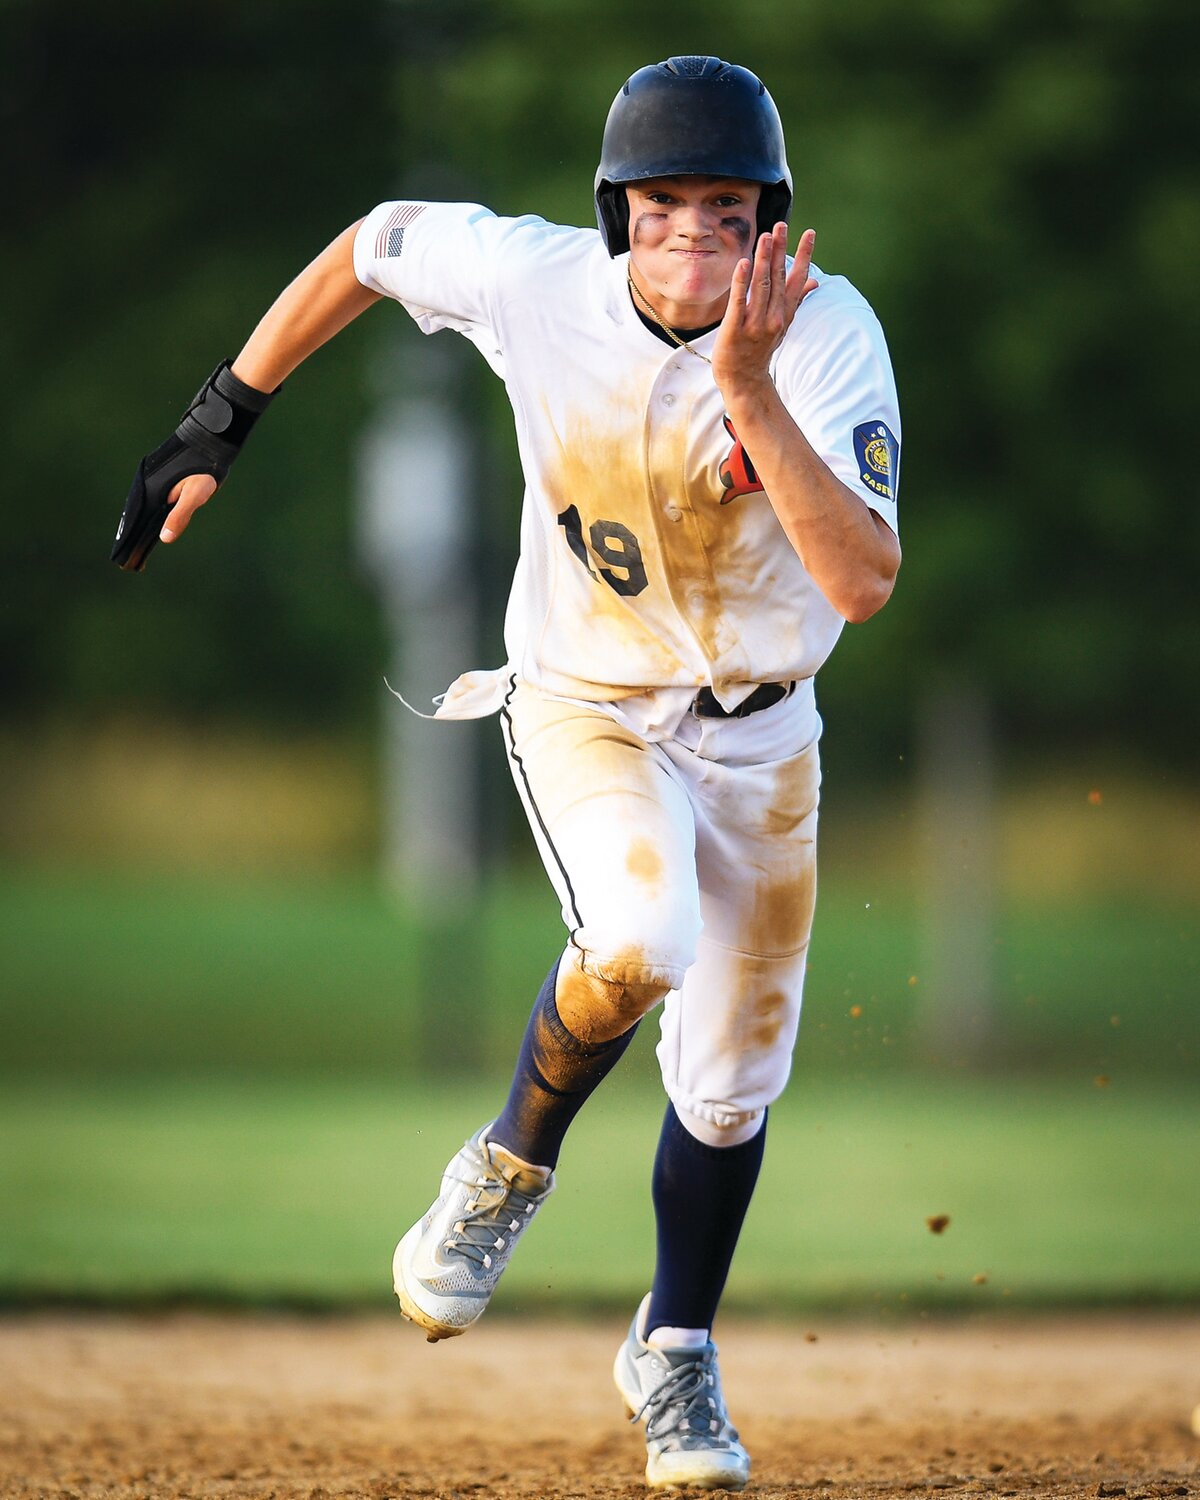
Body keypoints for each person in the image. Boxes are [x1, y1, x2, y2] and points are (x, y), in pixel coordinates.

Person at [114, 55, 901, 1492]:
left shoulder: (826, 334)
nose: (692, 238)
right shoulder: (538, 282)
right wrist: (221, 414)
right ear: (615, 213)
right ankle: (503, 1168)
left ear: (772, 220)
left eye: (727, 208)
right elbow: (369, 244)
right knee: (639, 938)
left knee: (731, 1088)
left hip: (765, 733)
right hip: (587, 698)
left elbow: (860, 581)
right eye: (661, 205)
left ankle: (674, 1350)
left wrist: (748, 390)